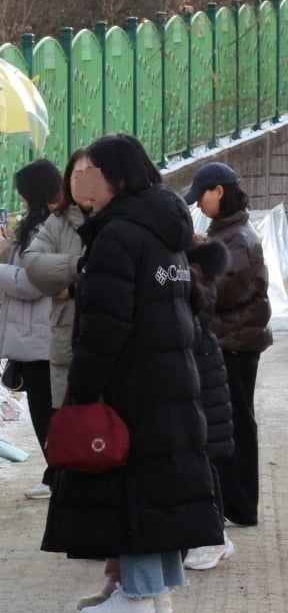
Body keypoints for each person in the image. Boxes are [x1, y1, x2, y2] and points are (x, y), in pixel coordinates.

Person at [42, 134, 221, 613]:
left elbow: (104, 327)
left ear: (118, 176)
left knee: (136, 490)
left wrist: (82, 393)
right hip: (169, 382)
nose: (80, 180)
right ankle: (149, 591)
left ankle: (137, 597)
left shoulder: (118, 235)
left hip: (132, 388)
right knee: (160, 487)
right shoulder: (163, 229)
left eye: (89, 171)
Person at [182, 161, 272, 528]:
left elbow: (223, 288)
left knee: (235, 424)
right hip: (234, 340)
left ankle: (241, 505)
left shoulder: (239, 239)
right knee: (233, 422)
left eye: (201, 196)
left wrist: (197, 265)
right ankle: (238, 504)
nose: (199, 206)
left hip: (235, 342)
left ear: (218, 190)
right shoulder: (230, 234)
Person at [0, 158, 60, 499]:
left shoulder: (44, 230)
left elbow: (33, 282)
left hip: (40, 337)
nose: (19, 200)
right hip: (40, 335)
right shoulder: (49, 227)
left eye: (22, 193)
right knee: (48, 412)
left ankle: (58, 475)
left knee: (46, 413)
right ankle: (56, 474)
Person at [181, 237, 236, 571]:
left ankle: (213, 538)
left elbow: (191, 323)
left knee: (202, 460)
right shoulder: (191, 267)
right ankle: (212, 536)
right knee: (200, 459)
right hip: (199, 373)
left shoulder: (191, 272)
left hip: (200, 376)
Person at [22, 149, 89, 414]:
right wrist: (80, 265)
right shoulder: (58, 221)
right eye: (76, 175)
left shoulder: (122, 220)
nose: (81, 182)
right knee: (70, 440)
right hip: (66, 343)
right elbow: (33, 265)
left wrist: (74, 286)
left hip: (113, 349)